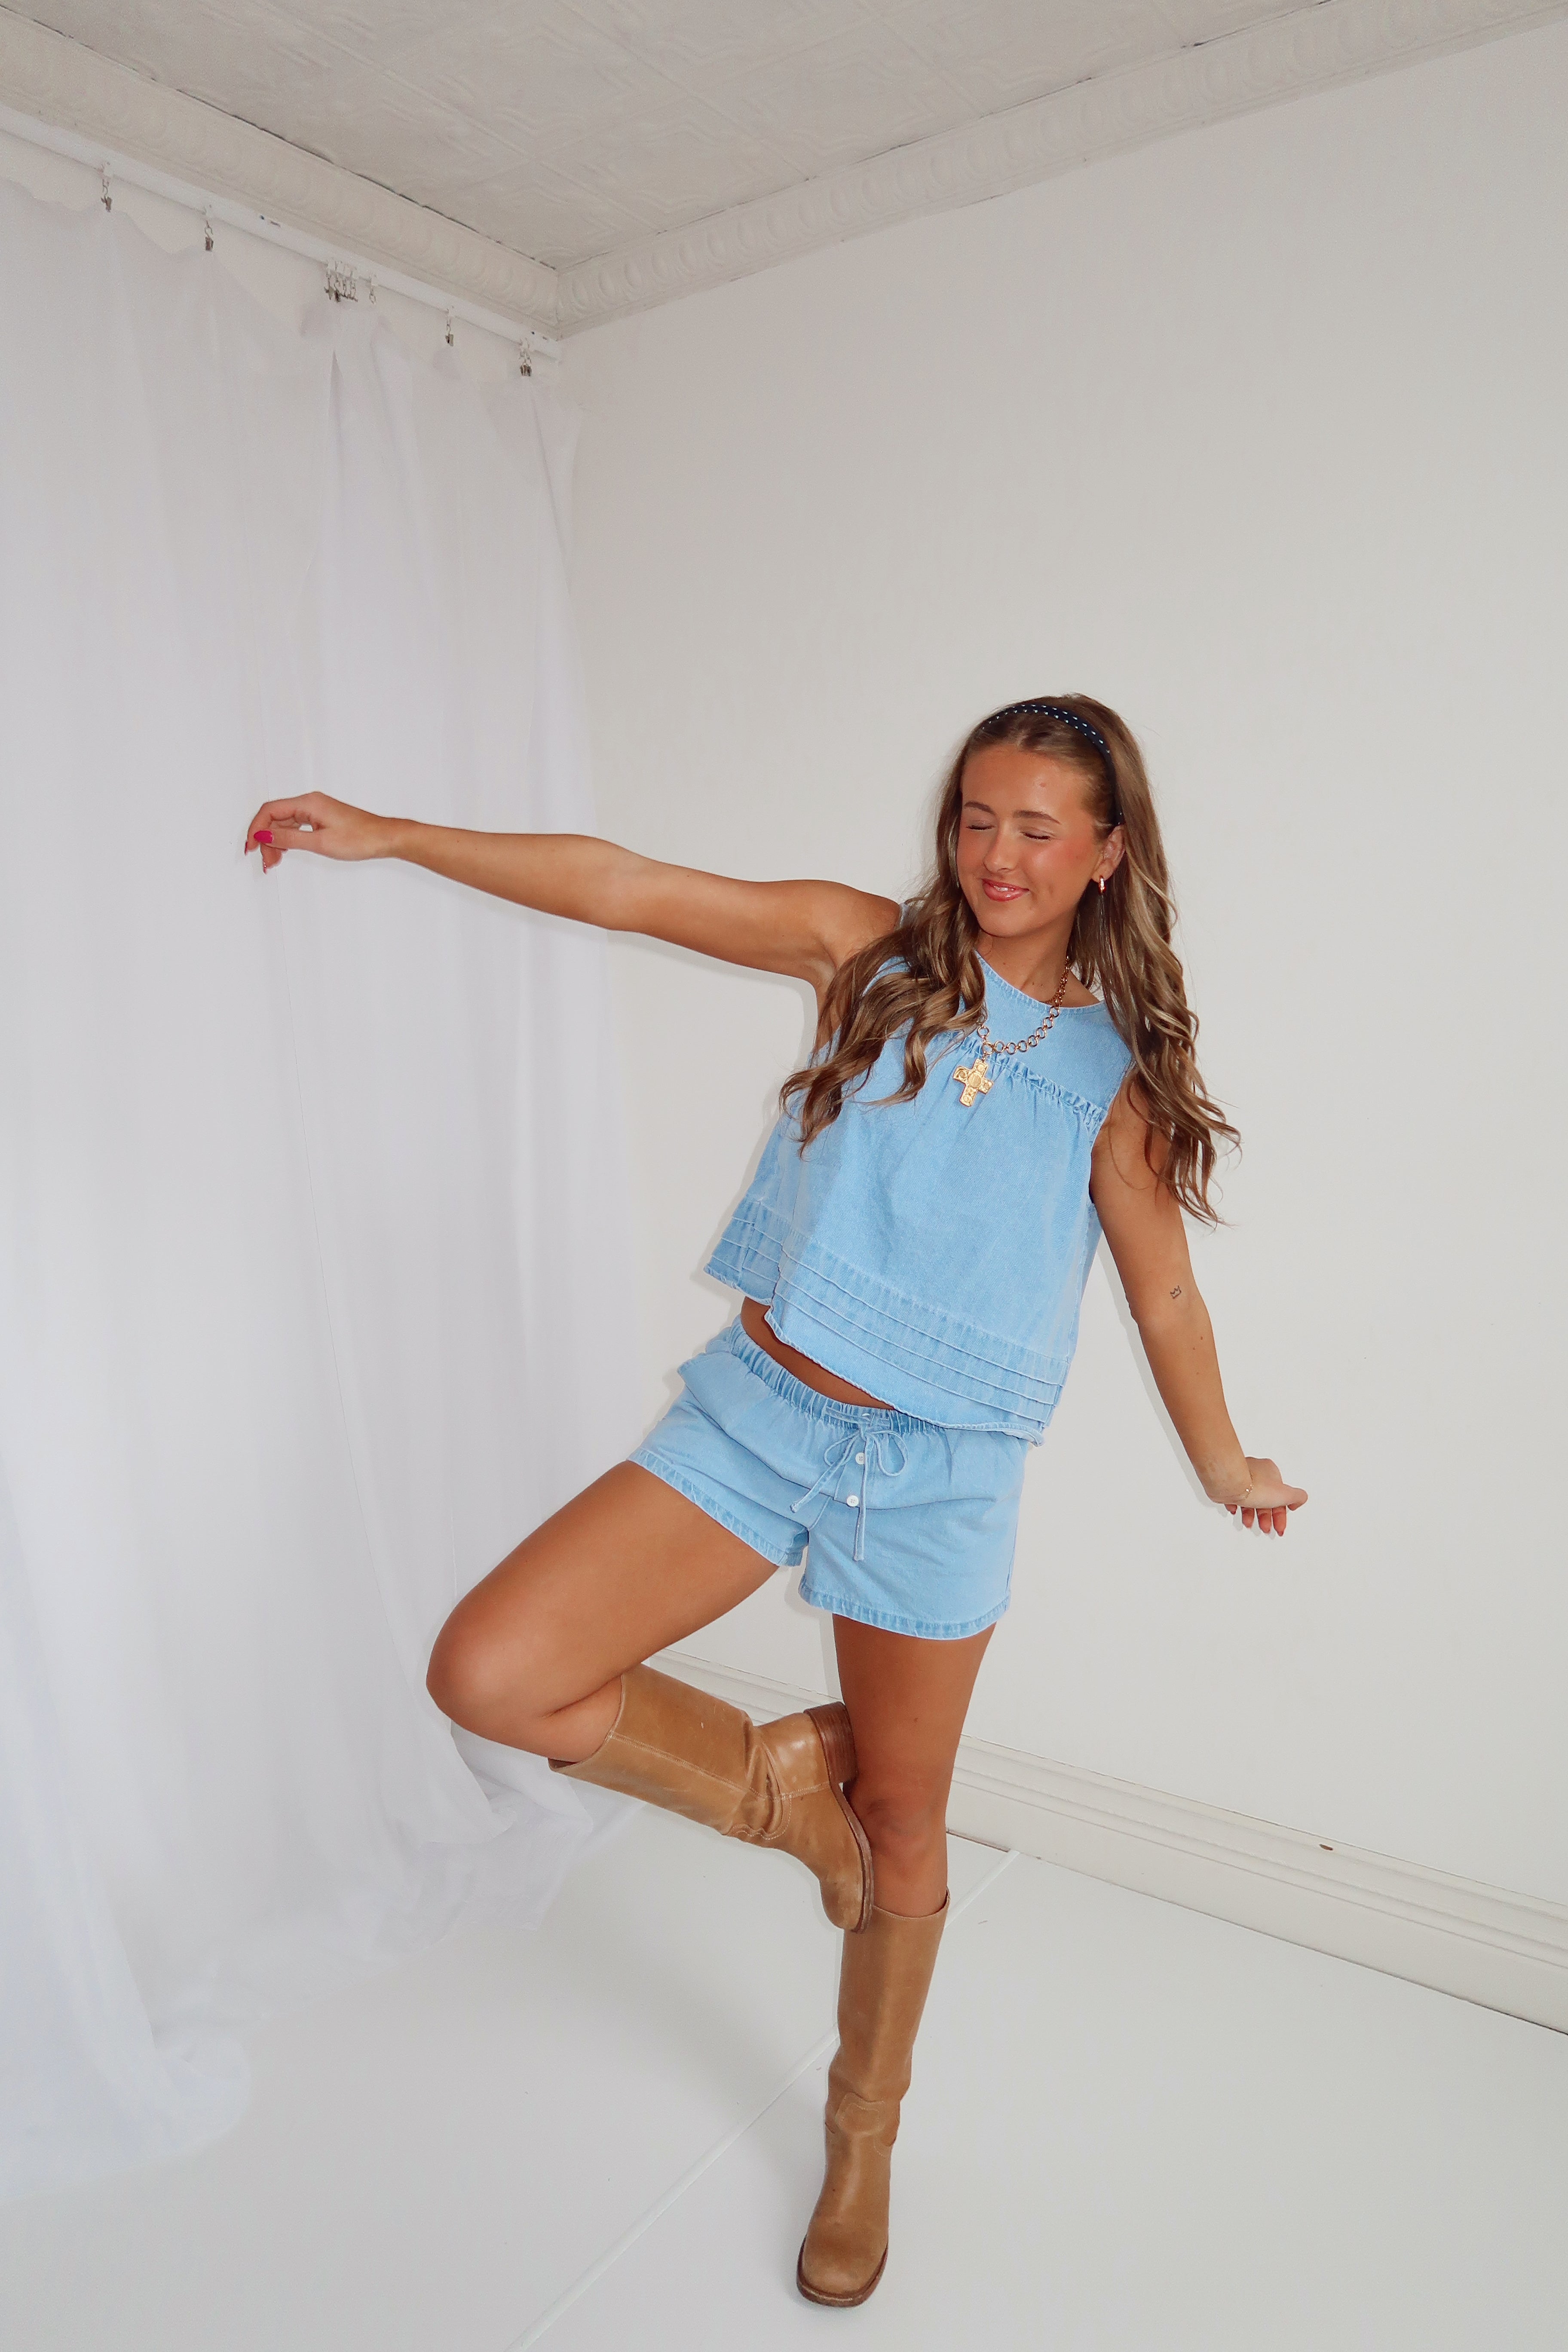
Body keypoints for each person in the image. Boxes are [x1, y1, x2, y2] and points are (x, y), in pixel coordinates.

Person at [245, 695, 1305, 2308]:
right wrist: (393, 836)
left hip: (941, 1475)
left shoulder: (1113, 1078)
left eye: (1038, 829)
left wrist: (1225, 1461)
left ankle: (861, 2139)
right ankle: (782, 1791)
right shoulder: (864, 950)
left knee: (909, 1825)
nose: (998, 854)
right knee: (494, 1670)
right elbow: (626, 884)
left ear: (1106, 853)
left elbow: (1163, 1292)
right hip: (761, 1418)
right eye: (976, 817)